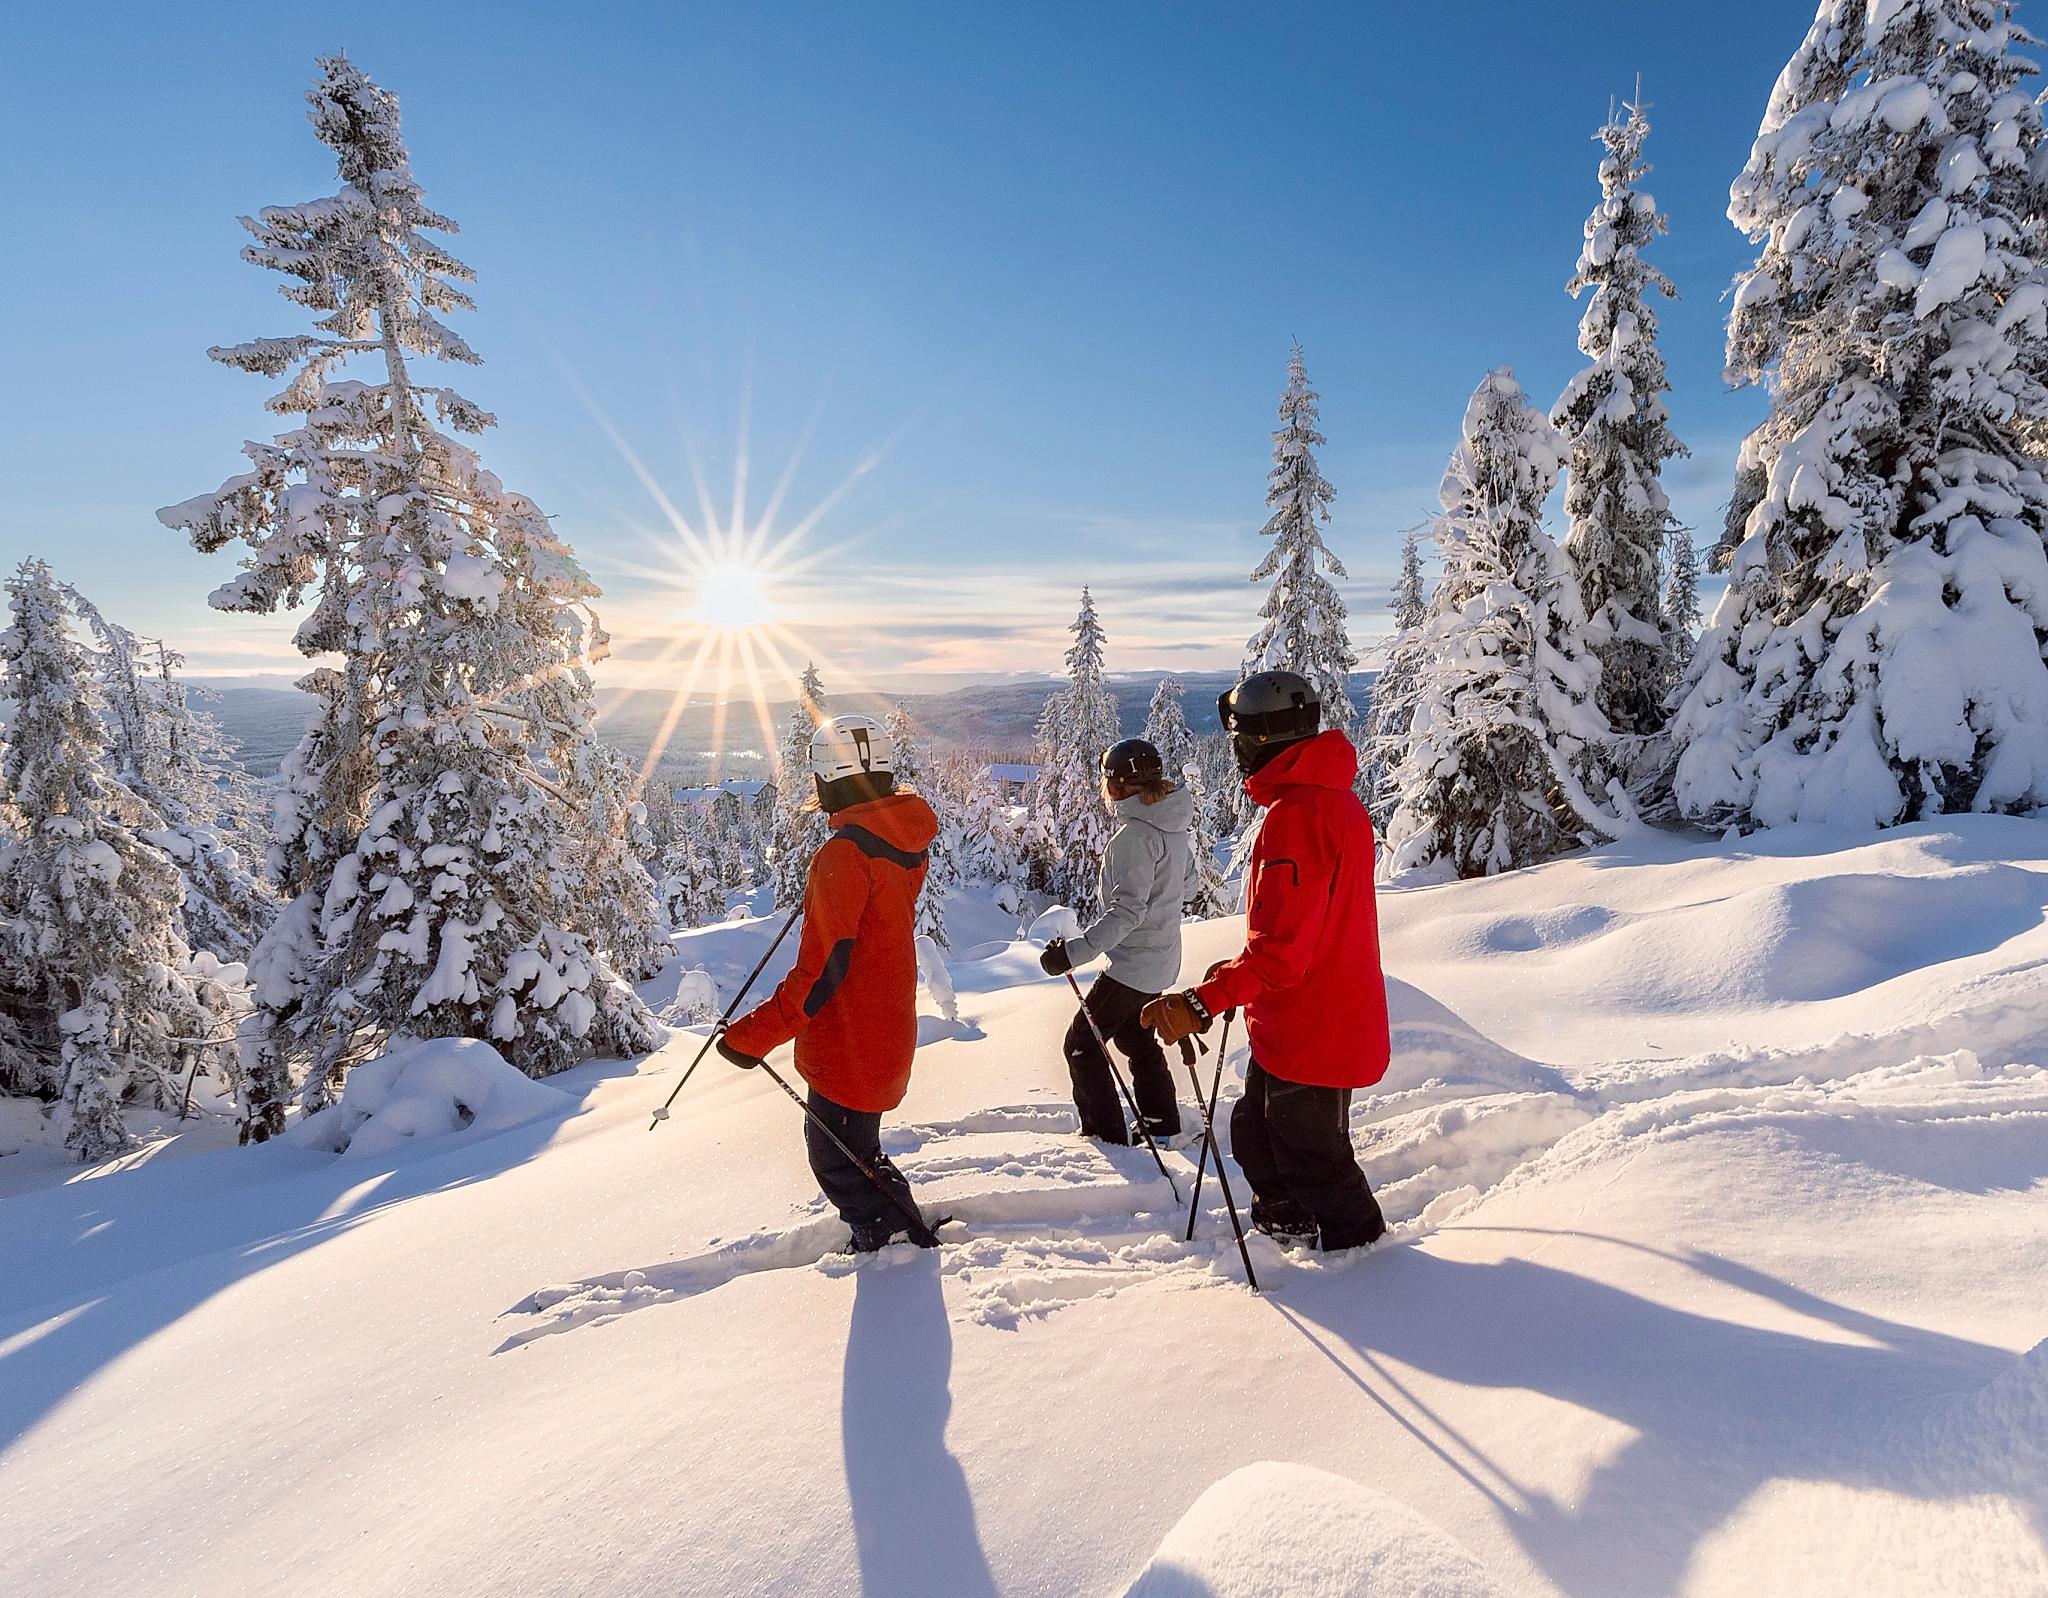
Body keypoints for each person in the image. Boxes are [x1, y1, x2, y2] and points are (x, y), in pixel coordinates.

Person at [1141, 670, 1389, 1252]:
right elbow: (1300, 930)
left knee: (1315, 1164)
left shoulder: (1296, 819)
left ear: (1264, 739)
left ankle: (1372, 1271)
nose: (1236, 749)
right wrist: (1232, 978)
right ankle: (1289, 1229)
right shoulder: (1329, 803)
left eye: (1241, 736)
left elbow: (1282, 955)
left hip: (1314, 1027)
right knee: (1255, 1132)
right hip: (1307, 1020)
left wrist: (1205, 1001)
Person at [717, 714, 941, 1252]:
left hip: (850, 1043)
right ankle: (899, 1234)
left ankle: (892, 1248)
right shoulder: (896, 842)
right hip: (882, 1027)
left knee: (837, 1159)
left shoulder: (846, 853)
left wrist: (751, 1037)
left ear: (824, 779)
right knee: (856, 1151)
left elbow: (821, 973)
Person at [1039, 738, 1191, 1146]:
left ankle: (1105, 1138)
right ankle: (1161, 1123)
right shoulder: (1173, 826)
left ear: (1120, 787)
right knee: (1134, 1037)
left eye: (1107, 781)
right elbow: (1190, 885)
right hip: (1160, 959)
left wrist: (1072, 954)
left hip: (1134, 965)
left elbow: (1127, 912)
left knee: (1081, 1047)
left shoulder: (1136, 836)